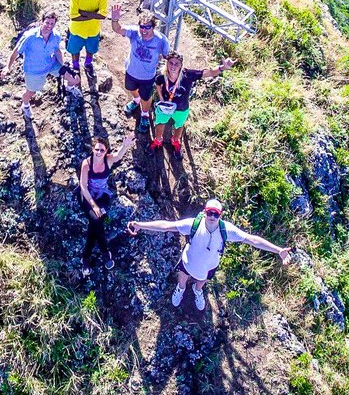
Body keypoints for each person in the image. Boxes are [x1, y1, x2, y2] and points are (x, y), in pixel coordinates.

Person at [127, 199, 293, 311]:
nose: (212, 216)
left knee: (202, 281)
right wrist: (140, 225)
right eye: (210, 212)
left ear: (220, 215)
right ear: (204, 212)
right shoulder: (193, 224)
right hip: (189, 260)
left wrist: (278, 250)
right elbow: (166, 226)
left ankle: (197, 290)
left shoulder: (226, 230)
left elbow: (252, 240)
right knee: (183, 276)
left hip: (209, 266)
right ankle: (181, 288)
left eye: (216, 214)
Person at [151, 51, 233, 153]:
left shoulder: (188, 75)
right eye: (171, 63)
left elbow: (209, 73)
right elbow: (158, 83)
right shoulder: (163, 75)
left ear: (181, 65)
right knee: (160, 122)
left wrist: (222, 68)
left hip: (181, 108)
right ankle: (158, 141)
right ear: (167, 63)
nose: (173, 66)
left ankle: (175, 141)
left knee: (179, 125)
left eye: (176, 63)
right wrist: (161, 98)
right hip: (165, 106)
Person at [0, 12, 74, 121]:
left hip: (50, 64)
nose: (49, 26)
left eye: (52, 24)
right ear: (42, 22)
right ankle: (25, 105)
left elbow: (57, 50)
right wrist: (7, 67)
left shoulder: (56, 36)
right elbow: (16, 51)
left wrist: (63, 65)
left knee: (73, 78)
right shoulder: (30, 36)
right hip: (34, 70)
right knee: (31, 92)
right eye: (47, 23)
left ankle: (70, 89)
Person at [79, 132, 135, 275]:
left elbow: (118, 156)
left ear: (106, 151)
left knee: (95, 224)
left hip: (102, 196)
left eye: (102, 150)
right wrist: (94, 206)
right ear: (92, 149)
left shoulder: (108, 160)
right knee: (96, 221)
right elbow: (83, 187)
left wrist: (125, 145)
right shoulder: (86, 164)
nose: (99, 152)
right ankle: (105, 253)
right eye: (96, 149)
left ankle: (86, 258)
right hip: (88, 197)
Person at [110, 8, 169, 127]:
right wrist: (115, 19)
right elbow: (118, 29)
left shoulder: (161, 40)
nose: (144, 30)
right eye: (142, 26)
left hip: (147, 76)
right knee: (130, 88)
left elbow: (167, 56)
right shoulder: (134, 32)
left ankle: (145, 114)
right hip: (131, 71)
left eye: (147, 27)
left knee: (146, 97)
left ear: (153, 27)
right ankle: (136, 100)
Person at [66, 0, 109, 75]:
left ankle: (88, 64)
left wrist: (84, 13)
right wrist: (94, 14)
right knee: (74, 50)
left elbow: (103, 15)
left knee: (91, 50)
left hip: (93, 30)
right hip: (77, 30)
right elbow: (74, 17)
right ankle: (75, 66)